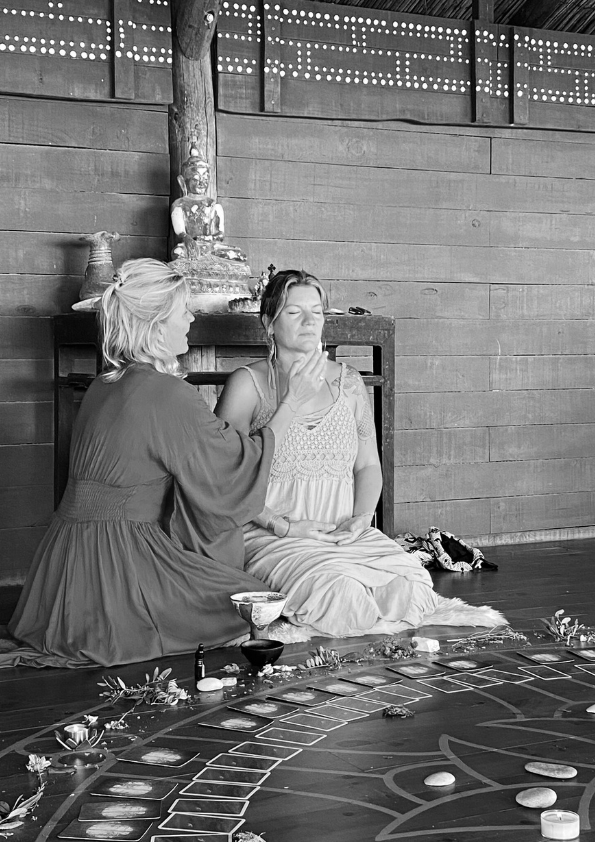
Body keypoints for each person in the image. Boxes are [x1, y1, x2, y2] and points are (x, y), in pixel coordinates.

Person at [7, 259, 327, 667]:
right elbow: (233, 467)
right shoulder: (166, 394)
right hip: (119, 560)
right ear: (158, 325)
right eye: (183, 311)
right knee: (242, 601)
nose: (191, 318)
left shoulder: (104, 384)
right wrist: (292, 401)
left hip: (63, 559)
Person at [215, 269, 505, 638]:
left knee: (413, 591)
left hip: (343, 533)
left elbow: (368, 465)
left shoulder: (348, 382)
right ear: (268, 323)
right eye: (293, 312)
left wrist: (360, 518)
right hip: (273, 535)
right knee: (341, 599)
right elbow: (223, 477)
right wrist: (282, 525)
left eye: (317, 312)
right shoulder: (247, 384)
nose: (308, 322)